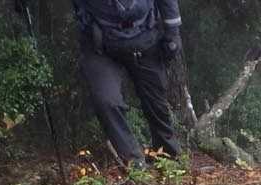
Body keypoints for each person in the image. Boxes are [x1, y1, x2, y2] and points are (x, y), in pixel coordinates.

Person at [72, 0, 183, 167]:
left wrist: (172, 33)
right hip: (100, 45)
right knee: (107, 101)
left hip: (146, 38)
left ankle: (169, 158)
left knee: (156, 103)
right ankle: (134, 163)